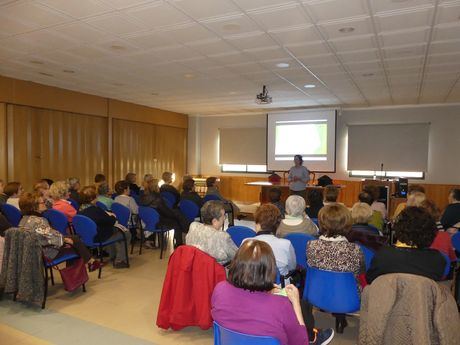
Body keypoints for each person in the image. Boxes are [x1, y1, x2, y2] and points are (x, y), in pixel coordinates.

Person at [211, 240, 334, 345]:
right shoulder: (281, 305)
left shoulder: (219, 289)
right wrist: (296, 303)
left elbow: (246, 306)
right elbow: (300, 342)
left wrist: (266, 292)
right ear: (269, 270)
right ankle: (313, 336)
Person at [307, 204, 365, 334]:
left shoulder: (311, 245)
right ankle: (340, 318)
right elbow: (361, 272)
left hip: (317, 294)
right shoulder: (354, 249)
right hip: (349, 298)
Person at [18, 192, 101, 271]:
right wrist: (64, 240)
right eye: (42, 202)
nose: (45, 203)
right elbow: (54, 239)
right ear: (34, 206)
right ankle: (77, 275)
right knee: (75, 245)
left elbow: (46, 234)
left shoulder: (24, 219)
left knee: (74, 239)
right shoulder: (39, 221)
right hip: (46, 253)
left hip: (33, 252)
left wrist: (63, 238)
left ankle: (90, 261)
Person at [366, 207, 447, 284]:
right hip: (423, 298)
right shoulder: (438, 259)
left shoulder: (383, 256)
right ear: (430, 232)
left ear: (398, 228)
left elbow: (371, 280)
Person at [79, 186, 131, 268]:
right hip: (99, 237)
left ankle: (113, 255)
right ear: (94, 198)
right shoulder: (95, 210)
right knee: (126, 233)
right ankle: (120, 260)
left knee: (111, 230)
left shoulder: (80, 210)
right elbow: (111, 221)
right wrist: (112, 216)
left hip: (87, 237)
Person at [140, 179, 189, 247]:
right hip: (158, 222)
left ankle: (185, 230)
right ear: (156, 187)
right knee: (177, 222)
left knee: (177, 215)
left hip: (147, 221)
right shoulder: (157, 198)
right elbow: (166, 213)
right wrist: (175, 215)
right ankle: (179, 244)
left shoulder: (143, 197)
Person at [249, 204, 296, 277]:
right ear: (278, 224)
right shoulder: (286, 244)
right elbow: (292, 267)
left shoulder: (246, 243)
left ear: (258, 224)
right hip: (279, 286)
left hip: (252, 284)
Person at [185, 200, 237, 265]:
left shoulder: (193, 226)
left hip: (194, 267)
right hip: (216, 272)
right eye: (223, 216)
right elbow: (237, 256)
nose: (224, 218)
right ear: (214, 221)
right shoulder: (223, 237)